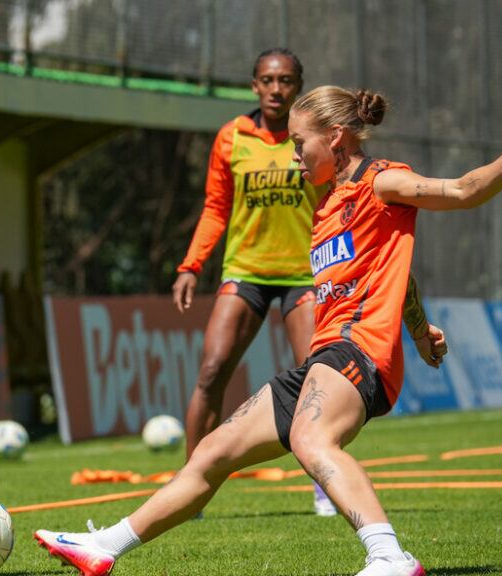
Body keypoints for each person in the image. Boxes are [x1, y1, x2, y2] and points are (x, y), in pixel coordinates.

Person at [35, 87, 502, 576]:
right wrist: (418, 329)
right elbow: (400, 273)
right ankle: (105, 547)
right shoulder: (325, 209)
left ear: (335, 137)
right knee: (213, 452)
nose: (294, 155)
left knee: (311, 438)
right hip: (324, 359)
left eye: (299, 142)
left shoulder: (381, 181)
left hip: (358, 353)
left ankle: (390, 557)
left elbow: (462, 190)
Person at [170, 48, 337, 515]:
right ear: (254, 85)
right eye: (267, 80)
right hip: (245, 272)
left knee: (319, 381)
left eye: (285, 80)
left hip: (304, 274)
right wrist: (191, 265)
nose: (276, 89)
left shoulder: (315, 139)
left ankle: (325, 484)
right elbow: (215, 207)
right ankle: (191, 490)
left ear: (298, 86)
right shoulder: (232, 138)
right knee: (210, 373)